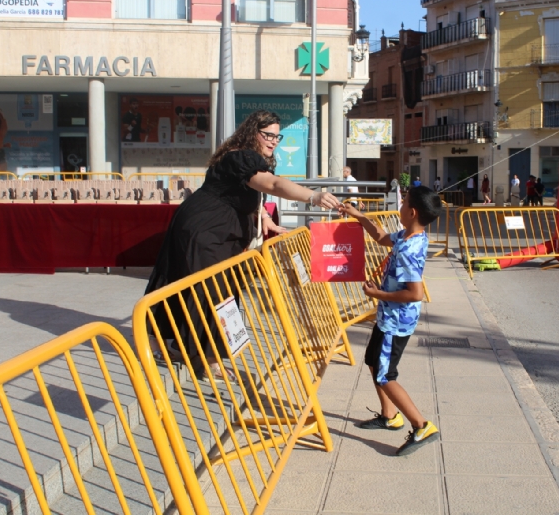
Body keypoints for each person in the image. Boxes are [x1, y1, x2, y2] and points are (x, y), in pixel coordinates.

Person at [145, 110, 342, 381]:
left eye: (277, 136)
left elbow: (244, 193)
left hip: (217, 231)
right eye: (267, 135)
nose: (273, 141)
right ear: (252, 132)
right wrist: (313, 196)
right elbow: (271, 184)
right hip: (206, 230)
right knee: (209, 290)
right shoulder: (239, 157)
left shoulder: (247, 158)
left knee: (215, 290)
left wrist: (265, 219)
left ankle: (190, 348)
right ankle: (200, 356)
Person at [340, 186, 442, 456]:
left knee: (386, 374)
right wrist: (358, 216)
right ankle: (389, 416)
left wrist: (377, 293)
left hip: (396, 321)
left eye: (404, 202)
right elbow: (381, 236)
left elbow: (414, 293)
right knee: (373, 361)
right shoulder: (409, 236)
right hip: (389, 317)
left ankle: (422, 426)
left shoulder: (409, 248)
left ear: (411, 212)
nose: (400, 205)